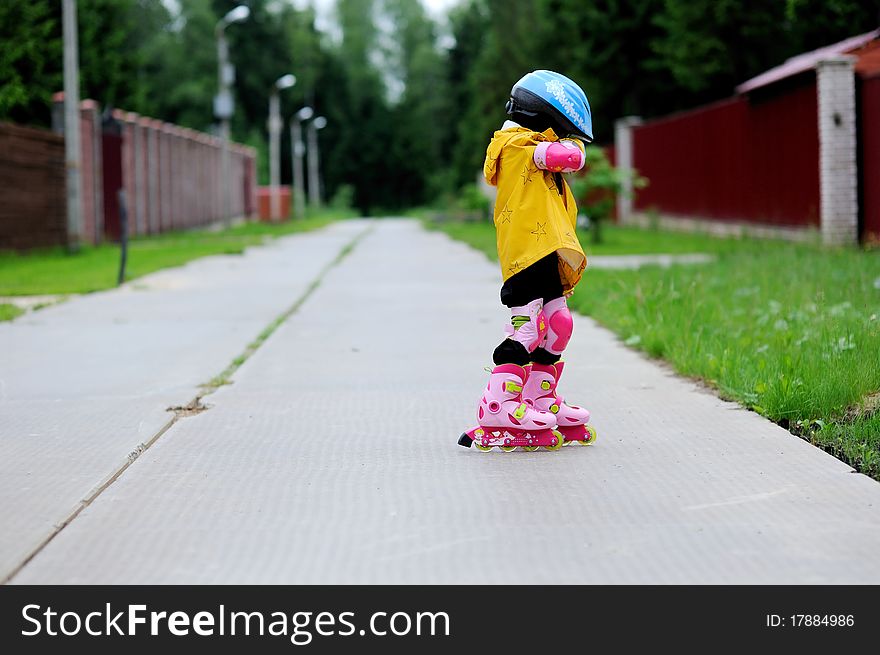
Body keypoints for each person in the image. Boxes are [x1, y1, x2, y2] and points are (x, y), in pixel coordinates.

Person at [458, 70, 597, 452]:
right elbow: (566, 156)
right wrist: (574, 146)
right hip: (524, 257)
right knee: (526, 330)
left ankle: (538, 401)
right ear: (543, 117)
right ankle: (497, 407)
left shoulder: (529, 141)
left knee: (558, 325)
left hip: (546, 253)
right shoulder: (514, 145)